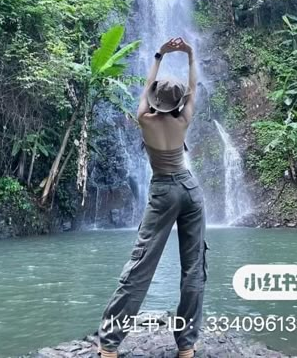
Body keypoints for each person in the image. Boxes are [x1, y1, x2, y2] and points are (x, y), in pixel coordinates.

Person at [97, 37, 208, 358]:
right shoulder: (184, 118)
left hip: (163, 192)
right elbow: (193, 85)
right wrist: (189, 54)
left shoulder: (144, 119)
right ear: (178, 103)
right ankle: (187, 344)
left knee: (141, 265)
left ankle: (109, 343)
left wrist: (160, 54)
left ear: (155, 101)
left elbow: (147, 86)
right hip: (191, 190)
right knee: (193, 268)